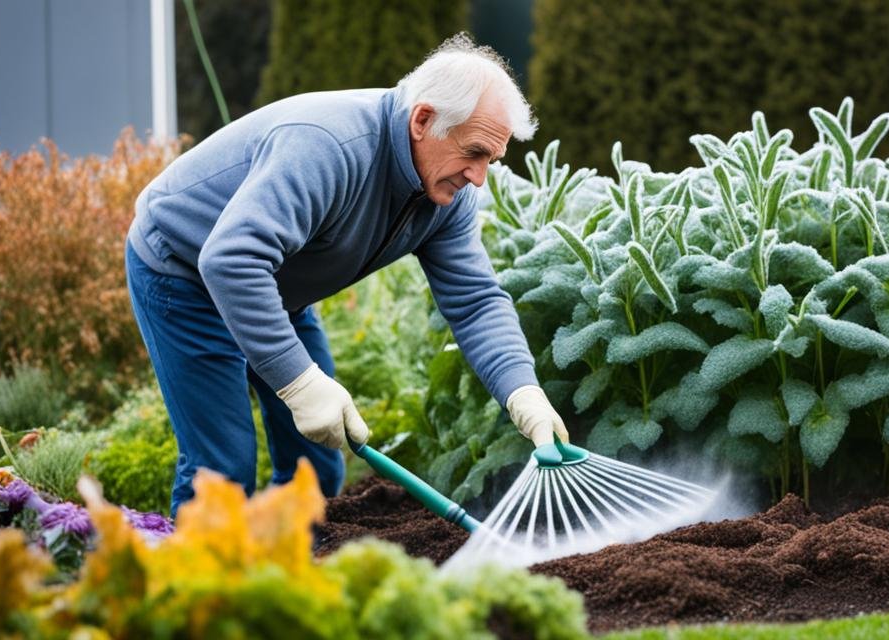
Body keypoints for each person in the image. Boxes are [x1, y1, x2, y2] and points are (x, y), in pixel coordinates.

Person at [125, 33, 571, 518]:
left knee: (315, 465)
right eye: (474, 153)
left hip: (272, 283)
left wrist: (522, 392)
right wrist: (297, 382)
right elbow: (230, 259)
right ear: (423, 120)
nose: (479, 178)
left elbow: (475, 301)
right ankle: (196, 587)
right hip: (183, 271)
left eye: (491, 160)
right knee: (222, 468)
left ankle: (284, 575)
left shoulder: (446, 194)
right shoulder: (330, 146)